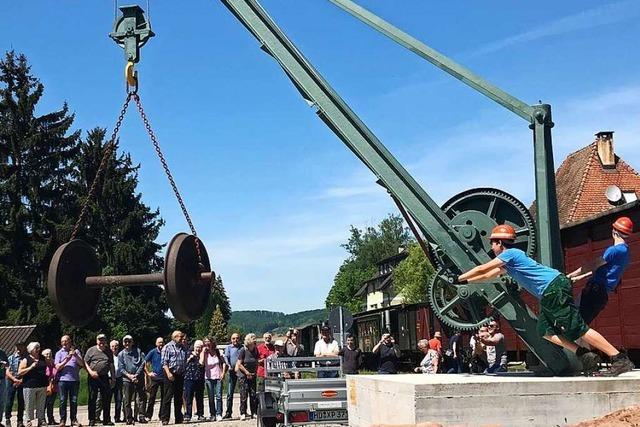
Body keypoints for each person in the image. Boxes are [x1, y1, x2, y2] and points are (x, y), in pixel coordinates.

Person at [457, 224, 634, 376]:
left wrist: (459, 278)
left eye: (492, 243)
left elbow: (482, 268)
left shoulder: (510, 254)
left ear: (499, 243)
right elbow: (488, 275)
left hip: (553, 288)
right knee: (544, 330)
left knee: (577, 328)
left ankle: (618, 358)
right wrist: (467, 281)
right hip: (550, 291)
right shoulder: (510, 263)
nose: (491, 247)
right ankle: (584, 354)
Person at [569, 217, 633, 324]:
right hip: (602, 294)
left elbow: (593, 265)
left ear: (614, 231)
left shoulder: (614, 250)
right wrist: (578, 278)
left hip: (594, 292)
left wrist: (571, 275)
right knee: (580, 323)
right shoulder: (626, 253)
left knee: (576, 323)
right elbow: (600, 270)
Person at [84, 334, 115, 426]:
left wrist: (113, 378)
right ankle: (92, 419)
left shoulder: (108, 351)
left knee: (106, 398)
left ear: (105, 341)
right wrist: (90, 372)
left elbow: (111, 365)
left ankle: (106, 419)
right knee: (92, 398)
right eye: (99, 340)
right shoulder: (91, 350)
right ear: (97, 341)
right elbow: (85, 362)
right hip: (93, 377)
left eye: (103, 340)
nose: (101, 342)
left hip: (104, 376)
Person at [54, 336, 83, 427]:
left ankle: (73, 419)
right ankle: (62, 420)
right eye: (62, 341)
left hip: (74, 380)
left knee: (74, 401)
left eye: (66, 341)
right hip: (63, 380)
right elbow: (57, 367)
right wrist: (67, 359)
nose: (64, 343)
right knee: (63, 400)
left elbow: (81, 364)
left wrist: (75, 355)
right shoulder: (59, 353)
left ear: (70, 342)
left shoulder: (77, 352)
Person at [160, 331, 187, 425]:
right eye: (180, 336)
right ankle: (165, 418)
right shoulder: (167, 347)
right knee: (167, 397)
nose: (181, 338)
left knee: (178, 398)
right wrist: (168, 373)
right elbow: (164, 363)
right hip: (170, 374)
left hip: (180, 375)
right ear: (174, 337)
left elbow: (184, 360)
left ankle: (178, 418)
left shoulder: (183, 347)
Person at [118, 335, 146, 425]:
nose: (127, 343)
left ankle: (141, 417)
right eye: (125, 342)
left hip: (138, 378)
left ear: (132, 342)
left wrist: (136, 375)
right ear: (123, 343)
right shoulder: (121, 354)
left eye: (129, 341)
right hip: (127, 379)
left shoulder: (138, 351)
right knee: (127, 400)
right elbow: (121, 368)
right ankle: (128, 418)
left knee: (141, 398)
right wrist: (130, 376)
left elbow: (143, 363)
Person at [18, 342, 48, 427]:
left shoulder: (42, 358)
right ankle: (28, 420)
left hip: (42, 384)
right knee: (29, 404)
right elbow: (20, 372)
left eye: (39, 348)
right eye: (36, 348)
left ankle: (41, 420)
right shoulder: (26, 359)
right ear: (31, 350)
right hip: (29, 385)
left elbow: (48, 367)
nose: (38, 349)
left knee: (41, 404)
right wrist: (31, 367)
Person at [201, 338, 225, 422]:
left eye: (208, 342)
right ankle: (212, 414)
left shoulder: (218, 351)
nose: (207, 343)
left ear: (212, 342)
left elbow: (224, 362)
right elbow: (201, 363)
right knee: (211, 397)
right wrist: (203, 352)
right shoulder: (204, 353)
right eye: (205, 342)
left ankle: (219, 413)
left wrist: (223, 373)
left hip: (218, 376)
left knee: (219, 396)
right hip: (208, 377)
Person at [235, 333, 259, 421]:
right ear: (249, 340)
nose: (255, 340)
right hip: (243, 375)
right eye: (253, 338)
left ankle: (254, 412)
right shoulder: (243, 350)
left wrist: (254, 372)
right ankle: (243, 413)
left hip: (252, 375)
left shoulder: (256, 350)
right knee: (244, 394)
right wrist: (247, 372)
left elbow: (256, 361)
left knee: (253, 394)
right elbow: (239, 364)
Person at [182, 340, 205, 422]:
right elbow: (184, 364)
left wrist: (202, 354)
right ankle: (188, 414)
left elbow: (201, 364)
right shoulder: (188, 353)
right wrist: (189, 358)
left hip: (200, 379)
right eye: (197, 347)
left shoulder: (203, 355)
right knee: (189, 397)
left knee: (200, 397)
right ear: (194, 347)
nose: (198, 349)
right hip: (189, 378)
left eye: (200, 347)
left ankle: (200, 414)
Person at [143, 338, 164, 422]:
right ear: (156, 343)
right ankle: (148, 415)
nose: (161, 344)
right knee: (152, 397)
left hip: (164, 378)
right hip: (155, 378)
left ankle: (162, 415)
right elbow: (145, 362)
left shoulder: (166, 351)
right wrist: (148, 372)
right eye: (159, 342)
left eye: (162, 342)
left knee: (164, 398)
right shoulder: (152, 352)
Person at [5, 343, 26, 427]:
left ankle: (20, 420)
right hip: (11, 380)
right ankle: (7, 419)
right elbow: (7, 371)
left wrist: (21, 380)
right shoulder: (10, 358)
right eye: (18, 347)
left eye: (21, 346)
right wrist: (14, 379)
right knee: (9, 400)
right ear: (15, 348)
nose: (19, 349)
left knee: (21, 401)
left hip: (22, 380)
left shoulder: (25, 359)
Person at [222, 333, 242, 420]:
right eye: (233, 338)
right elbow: (226, 357)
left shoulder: (242, 347)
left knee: (243, 393)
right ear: (231, 339)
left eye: (237, 338)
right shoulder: (228, 348)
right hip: (231, 372)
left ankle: (243, 411)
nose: (235, 340)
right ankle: (228, 412)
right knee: (230, 393)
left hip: (241, 372)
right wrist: (228, 365)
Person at [41, 349, 57, 426]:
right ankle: (42, 420)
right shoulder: (43, 365)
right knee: (43, 405)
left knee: (50, 404)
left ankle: (51, 419)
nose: (49, 355)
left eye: (50, 353)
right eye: (46, 354)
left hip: (54, 386)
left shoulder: (54, 363)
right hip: (45, 387)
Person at [109, 341, 122, 424]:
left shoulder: (121, 356)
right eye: (112, 346)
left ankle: (117, 417)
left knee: (119, 399)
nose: (114, 348)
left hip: (119, 379)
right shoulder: (108, 356)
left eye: (116, 346)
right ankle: (107, 417)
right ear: (110, 347)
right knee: (107, 399)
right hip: (109, 379)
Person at [0, 344, 8, 427]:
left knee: (1, 401)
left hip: (1, 379)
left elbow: (7, 365)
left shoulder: (2, 353)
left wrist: (4, 364)